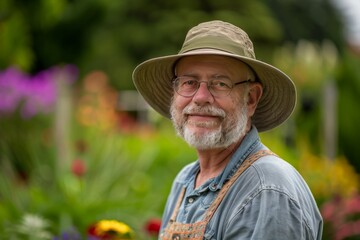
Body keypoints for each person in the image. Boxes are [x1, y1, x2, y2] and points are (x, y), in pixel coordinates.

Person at [132, 20, 323, 240]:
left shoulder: (267, 190)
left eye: (220, 83)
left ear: (251, 99)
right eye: (189, 82)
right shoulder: (185, 180)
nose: (201, 97)